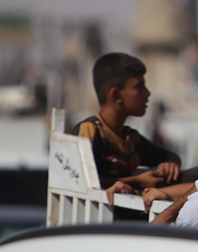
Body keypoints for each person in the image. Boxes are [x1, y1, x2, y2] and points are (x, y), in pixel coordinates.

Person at [72, 53, 181, 204]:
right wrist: (138, 181)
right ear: (116, 95)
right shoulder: (90, 130)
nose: (147, 94)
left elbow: (171, 156)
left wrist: (170, 164)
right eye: (139, 87)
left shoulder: (131, 138)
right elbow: (83, 179)